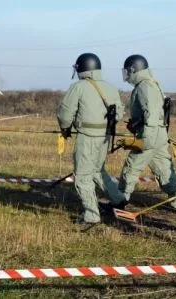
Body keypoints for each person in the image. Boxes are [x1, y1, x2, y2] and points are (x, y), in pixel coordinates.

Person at [57, 52, 126, 230]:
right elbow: (119, 114)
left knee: (82, 176)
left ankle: (91, 215)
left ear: (81, 68)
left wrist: (65, 127)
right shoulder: (111, 88)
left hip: (87, 136)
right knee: (98, 171)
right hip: (105, 137)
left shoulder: (78, 87)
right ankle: (118, 199)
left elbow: (65, 112)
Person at [117, 54, 176, 210]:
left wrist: (145, 139)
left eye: (128, 71)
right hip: (158, 135)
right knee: (163, 169)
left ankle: (119, 200)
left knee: (131, 167)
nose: (126, 75)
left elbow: (152, 114)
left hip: (149, 135)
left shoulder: (144, 87)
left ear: (134, 70)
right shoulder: (150, 84)